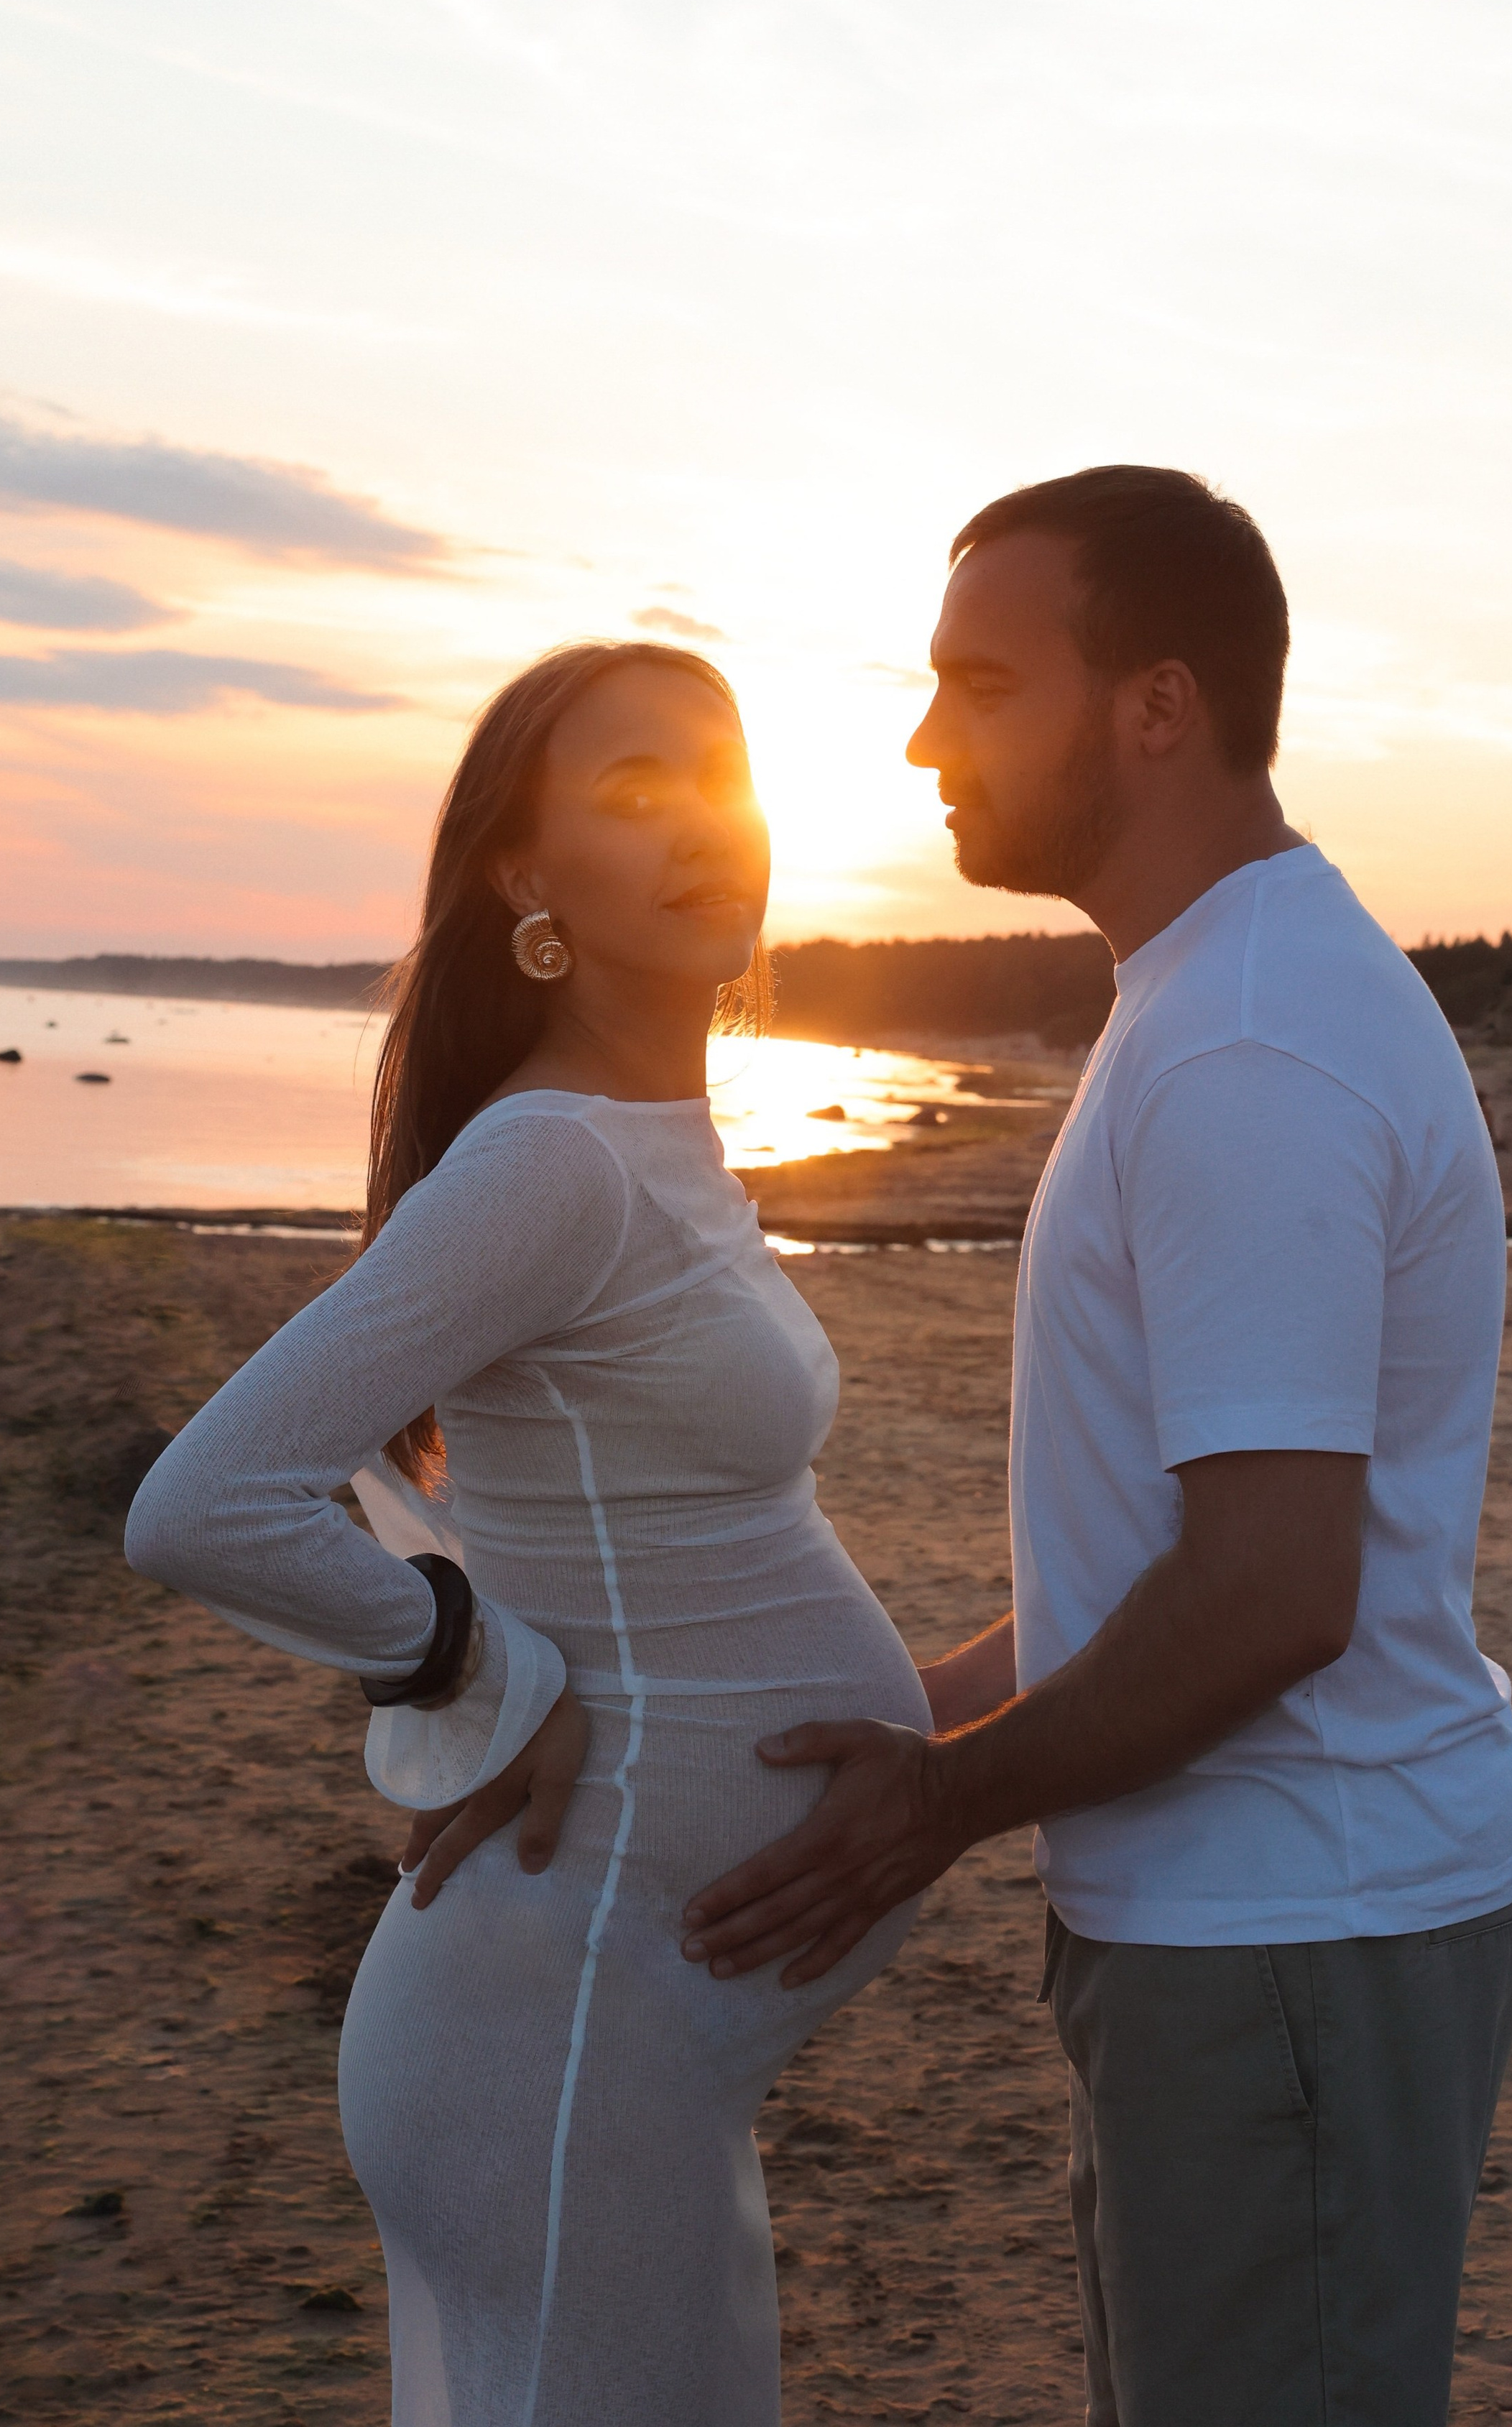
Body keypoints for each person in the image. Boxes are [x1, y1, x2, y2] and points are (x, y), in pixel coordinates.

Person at [681, 469, 1512, 2426]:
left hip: (1293, 1934)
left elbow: (1268, 1595)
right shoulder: (1213, 998)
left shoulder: (1247, 1044)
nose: (921, 740)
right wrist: (927, 1703)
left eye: (980, 683)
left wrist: (935, 1804)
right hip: (1267, 1927)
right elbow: (1171, 1549)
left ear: (1154, 707)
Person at [124, 640, 931, 2426]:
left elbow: (587, 1510)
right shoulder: (552, 1163)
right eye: (631, 788)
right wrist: (474, 1669)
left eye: (720, 777)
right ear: (521, 873)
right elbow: (202, 1502)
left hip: (630, 2033)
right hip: (551, 2029)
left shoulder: (653, 1145)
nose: (700, 823)